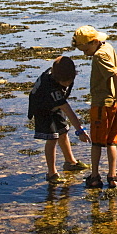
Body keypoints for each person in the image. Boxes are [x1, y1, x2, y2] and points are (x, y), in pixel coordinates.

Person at [72, 25, 117, 189]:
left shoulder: (98, 57)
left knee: (96, 142)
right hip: (115, 103)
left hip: (103, 104)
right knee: (112, 142)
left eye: (84, 49)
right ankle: (112, 175)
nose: (84, 53)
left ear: (94, 42)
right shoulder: (108, 47)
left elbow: (116, 74)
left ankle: (95, 176)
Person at [28, 55, 90, 184]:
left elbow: (63, 103)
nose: (67, 83)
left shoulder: (65, 75)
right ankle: (52, 173)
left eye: (70, 80)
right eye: (64, 82)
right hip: (42, 108)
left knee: (63, 131)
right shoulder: (50, 85)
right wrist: (80, 131)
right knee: (52, 138)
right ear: (56, 78)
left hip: (56, 104)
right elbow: (68, 110)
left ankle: (70, 162)